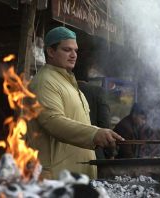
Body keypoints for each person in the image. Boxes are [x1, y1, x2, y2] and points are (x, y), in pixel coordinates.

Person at [26, 26, 124, 180]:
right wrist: (94, 134)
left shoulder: (68, 82)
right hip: (57, 179)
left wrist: (99, 133)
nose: (73, 55)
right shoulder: (44, 82)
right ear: (51, 52)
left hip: (77, 177)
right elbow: (53, 121)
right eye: (67, 50)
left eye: (75, 50)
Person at [74, 60, 112, 159]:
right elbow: (105, 125)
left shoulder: (62, 90)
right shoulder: (98, 92)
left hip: (67, 155)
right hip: (94, 154)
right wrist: (111, 153)